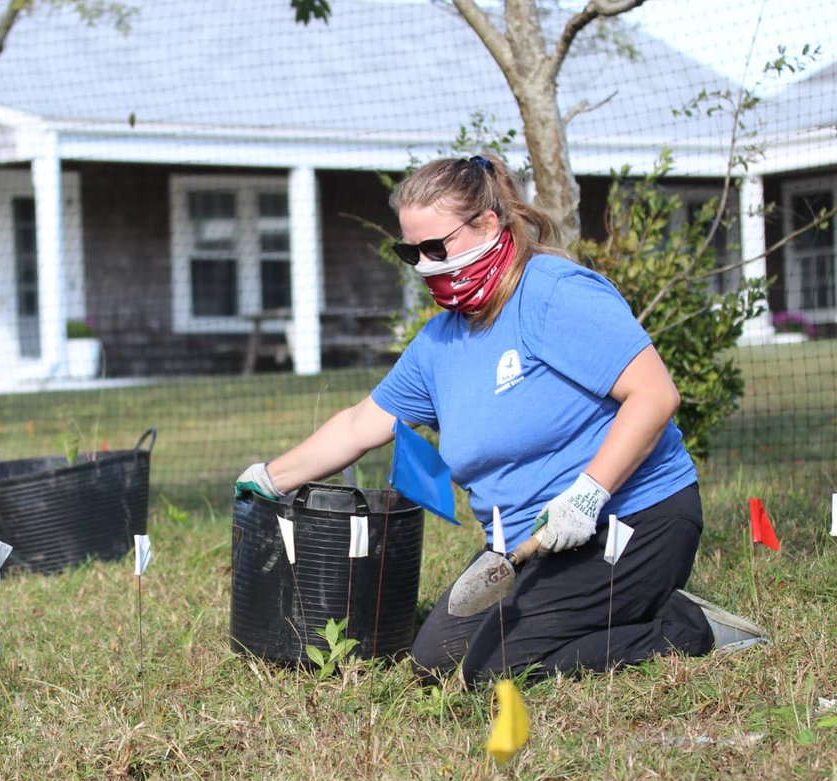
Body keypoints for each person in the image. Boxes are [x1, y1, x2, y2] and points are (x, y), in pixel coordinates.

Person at [236, 154, 766, 685]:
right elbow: (359, 425)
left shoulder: (553, 294)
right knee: (435, 665)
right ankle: (618, 607)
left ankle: (689, 626)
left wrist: (587, 495)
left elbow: (655, 395)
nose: (424, 265)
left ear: (488, 224)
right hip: (529, 545)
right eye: (410, 252)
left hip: (630, 520)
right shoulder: (440, 344)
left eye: (435, 248)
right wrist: (268, 478)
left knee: (491, 671)